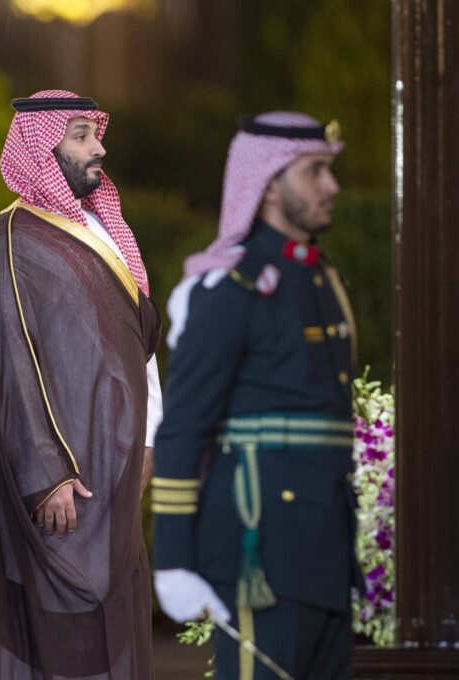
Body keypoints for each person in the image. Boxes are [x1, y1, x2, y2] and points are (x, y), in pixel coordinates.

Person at [0, 90, 159, 680]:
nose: (100, 148)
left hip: (114, 464)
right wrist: (47, 474)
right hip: (67, 483)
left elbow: (140, 344)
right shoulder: (12, 240)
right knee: (56, 631)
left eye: (97, 134)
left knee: (116, 621)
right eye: (83, 136)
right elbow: (9, 361)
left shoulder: (106, 230)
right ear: (44, 148)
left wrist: (148, 438)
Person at [151, 112, 363, 680]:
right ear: (269, 183)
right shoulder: (230, 288)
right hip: (258, 551)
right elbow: (183, 428)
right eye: (314, 172)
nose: (331, 186)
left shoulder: (321, 280)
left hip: (324, 549)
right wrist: (172, 559)